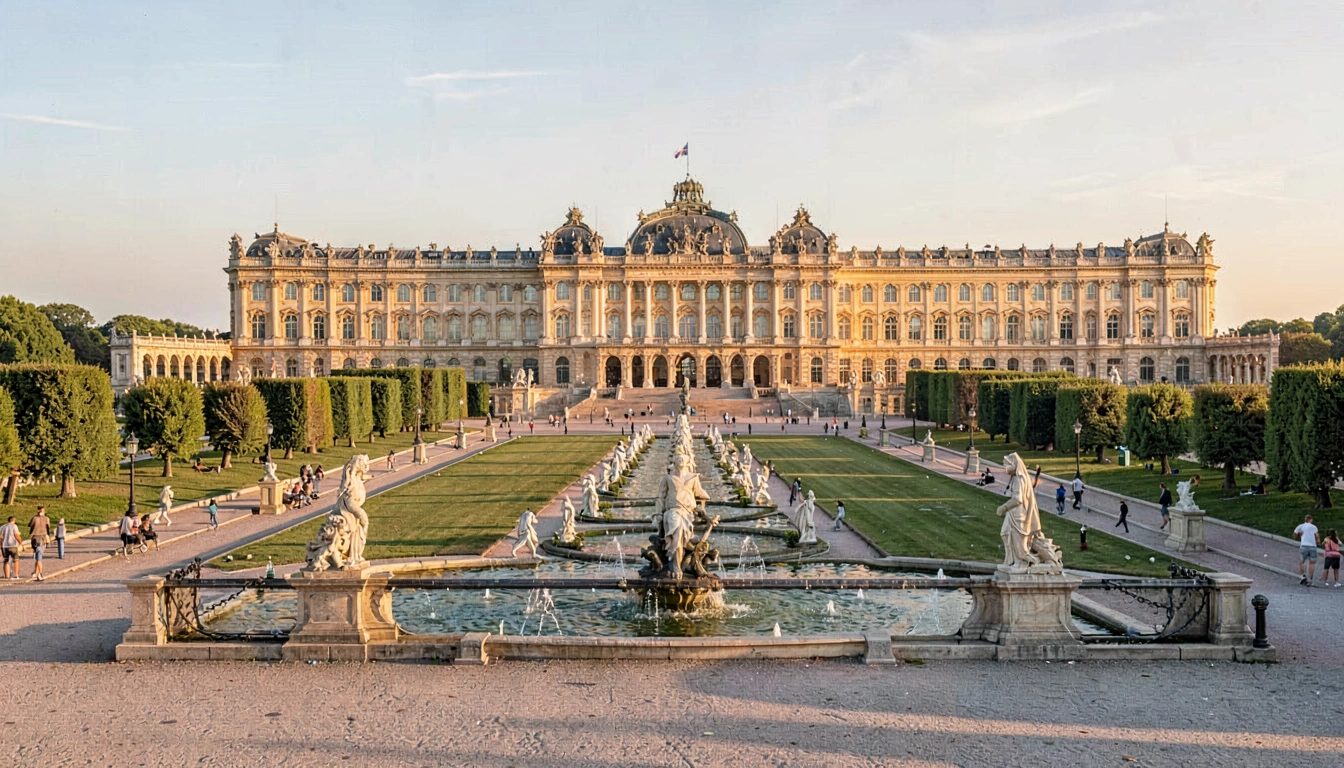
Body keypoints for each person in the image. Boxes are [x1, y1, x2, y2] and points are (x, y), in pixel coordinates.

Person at [1295, 514, 1319, 585]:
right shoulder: (1314, 527)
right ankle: (1310, 579)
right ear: (1311, 520)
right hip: (1312, 546)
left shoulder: (1301, 526)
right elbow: (1316, 536)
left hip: (1304, 546)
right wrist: (1318, 542)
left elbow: (1296, 533)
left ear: (1305, 519)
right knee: (1312, 563)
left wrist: (1299, 536)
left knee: (1302, 562)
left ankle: (1303, 575)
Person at [27, 507, 50, 581]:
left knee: (38, 557)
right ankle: (39, 573)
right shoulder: (46, 519)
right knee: (38, 557)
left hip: (35, 538)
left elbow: (30, 525)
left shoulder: (34, 518)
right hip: (42, 538)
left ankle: (37, 572)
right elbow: (48, 527)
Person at [1, 515, 21, 580]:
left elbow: (1, 537)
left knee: (6, 560)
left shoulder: (3, 527)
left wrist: (1, 545)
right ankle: (16, 575)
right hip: (13, 545)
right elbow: (16, 535)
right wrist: (20, 542)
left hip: (5, 545)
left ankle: (6, 576)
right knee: (16, 560)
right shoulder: (14, 526)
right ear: (13, 520)